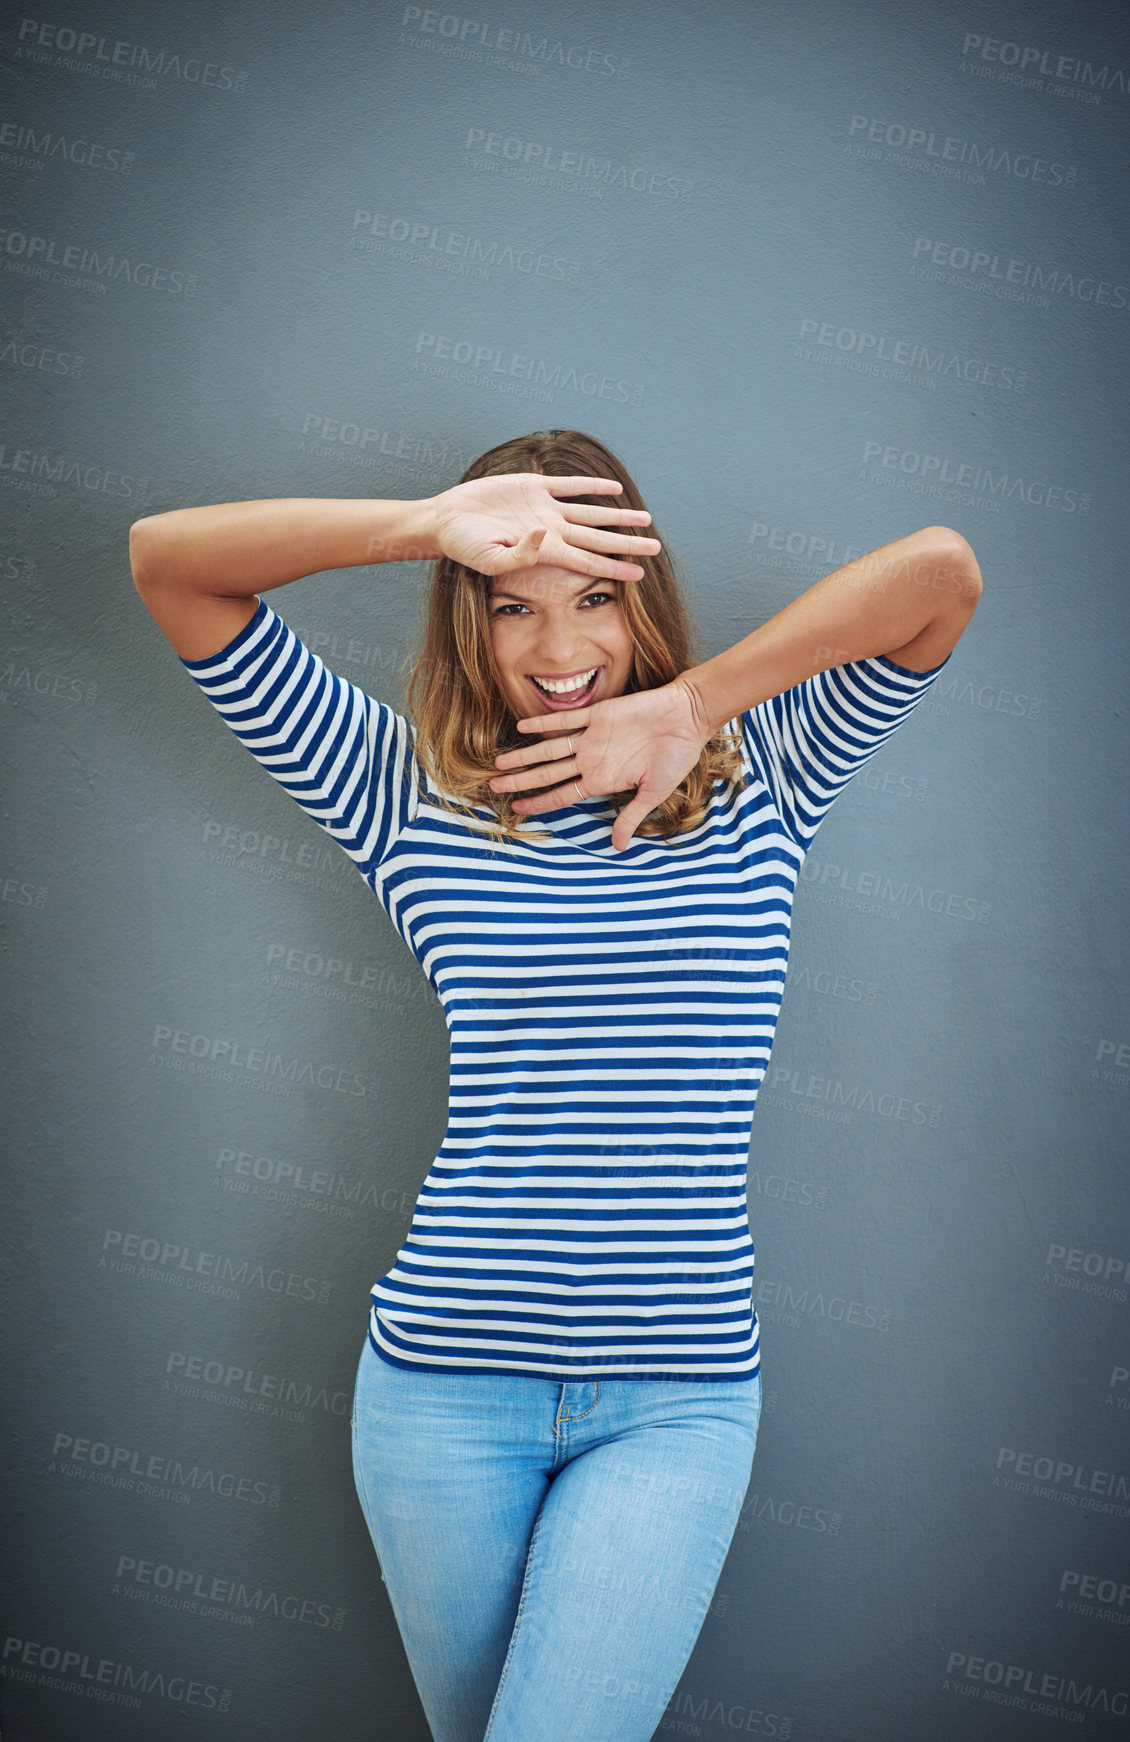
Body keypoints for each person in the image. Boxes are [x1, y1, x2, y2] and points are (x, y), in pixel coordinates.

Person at [130, 428, 982, 1742]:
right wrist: (428, 522)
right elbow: (170, 567)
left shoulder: (762, 768)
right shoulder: (404, 787)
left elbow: (943, 576)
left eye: (593, 594)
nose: (556, 645)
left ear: (645, 601)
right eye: (512, 604)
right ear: (469, 619)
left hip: (678, 1400)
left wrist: (697, 703)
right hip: (440, 1396)